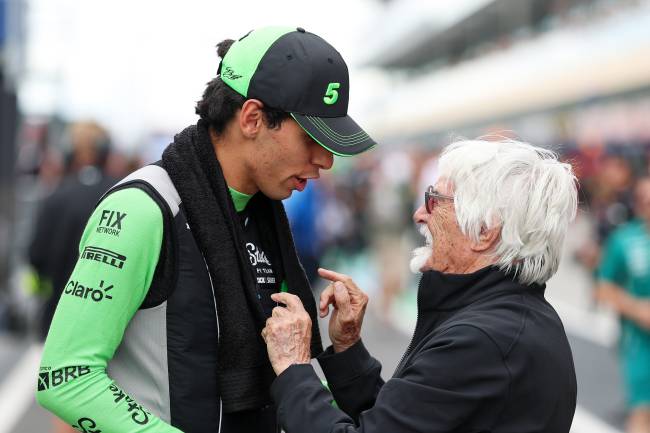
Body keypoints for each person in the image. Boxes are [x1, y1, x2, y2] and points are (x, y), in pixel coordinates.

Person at [36, 26, 376, 433]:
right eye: (311, 137)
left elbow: (274, 382)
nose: (326, 160)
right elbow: (65, 377)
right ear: (252, 118)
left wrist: (346, 357)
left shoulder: (265, 217)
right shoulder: (144, 209)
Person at [262, 139, 579, 433]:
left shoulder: (484, 341)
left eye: (434, 200)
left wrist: (294, 369)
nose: (418, 214)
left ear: (485, 231)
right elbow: (404, 420)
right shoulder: (506, 321)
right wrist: (347, 350)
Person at [596, 177, 650, 433]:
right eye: (644, 200)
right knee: (642, 412)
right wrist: (636, 308)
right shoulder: (625, 240)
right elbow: (603, 286)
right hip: (640, 341)